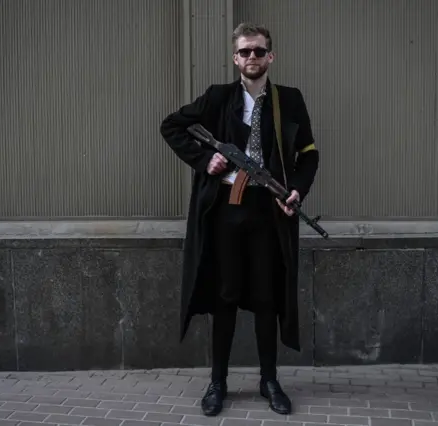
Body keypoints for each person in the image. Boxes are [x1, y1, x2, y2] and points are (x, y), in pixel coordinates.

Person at [159, 22, 319, 417]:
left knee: (266, 298)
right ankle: (218, 382)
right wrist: (204, 159)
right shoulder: (218, 98)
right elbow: (171, 126)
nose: (252, 57)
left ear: (271, 56)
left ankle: (269, 380)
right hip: (226, 213)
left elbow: (309, 154)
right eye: (245, 52)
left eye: (259, 51)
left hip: (269, 214)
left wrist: (296, 190)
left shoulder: (289, 100)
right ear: (235, 58)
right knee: (225, 297)